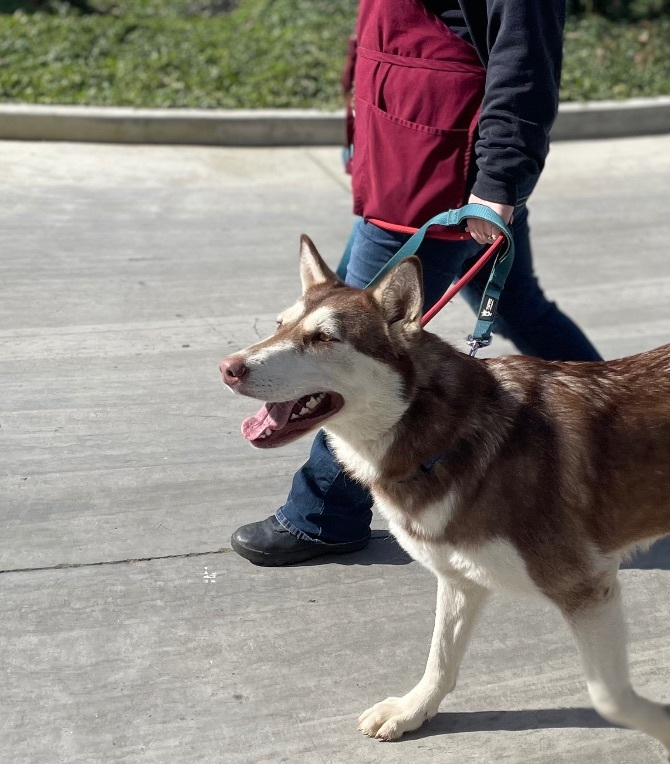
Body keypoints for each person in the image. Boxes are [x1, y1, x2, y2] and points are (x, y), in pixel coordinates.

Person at [230, 0, 602, 566]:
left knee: (351, 345)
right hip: (405, 148)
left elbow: (524, 59)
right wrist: (364, 130)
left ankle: (324, 515)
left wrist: (499, 177)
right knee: (519, 305)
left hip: (441, 173)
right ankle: (617, 442)